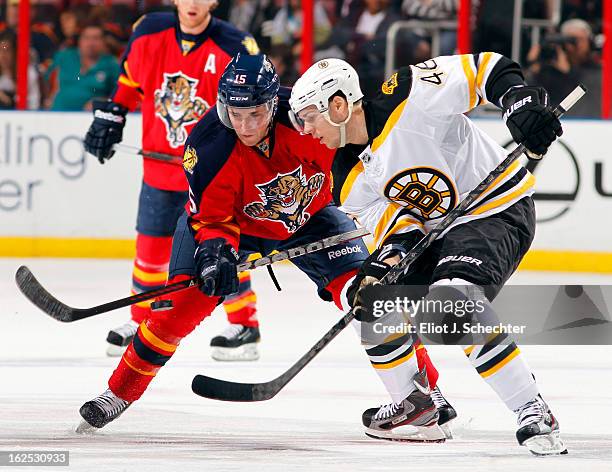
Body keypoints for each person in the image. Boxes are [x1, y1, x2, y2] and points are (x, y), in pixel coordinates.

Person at [77, 53, 456, 442]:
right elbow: (212, 218)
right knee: (176, 310)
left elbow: (365, 161)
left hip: (310, 218)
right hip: (232, 225)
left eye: (256, 114)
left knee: (372, 297)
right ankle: (117, 393)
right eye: (236, 114)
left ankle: (425, 395)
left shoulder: (310, 117)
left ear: (275, 104)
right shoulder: (208, 146)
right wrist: (215, 255)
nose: (244, 125)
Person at [289, 55, 566, 455]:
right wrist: (380, 266)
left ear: (338, 105)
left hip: (495, 209)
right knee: (364, 300)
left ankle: (532, 409)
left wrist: (518, 102)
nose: (306, 130)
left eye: (309, 117)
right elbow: (395, 226)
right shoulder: (345, 177)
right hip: (438, 233)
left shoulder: (409, 93)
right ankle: (417, 406)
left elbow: (485, 69)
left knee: (453, 300)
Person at [82, 0, 265, 360]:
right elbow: (130, 84)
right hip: (160, 168)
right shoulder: (149, 32)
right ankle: (142, 320)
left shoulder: (236, 46)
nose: (193, 3)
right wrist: (112, 116)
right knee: (150, 250)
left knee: (220, 250)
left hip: (211, 173)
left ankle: (245, 324)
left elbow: (253, 106)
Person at [46, 22, 119, 111]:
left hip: (91, 118)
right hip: (58, 114)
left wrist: (103, 102)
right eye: (86, 38)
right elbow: (47, 81)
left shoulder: (111, 64)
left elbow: (118, 96)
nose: (91, 43)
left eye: (96, 38)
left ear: (103, 42)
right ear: (79, 41)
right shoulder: (64, 56)